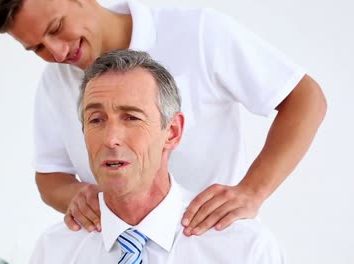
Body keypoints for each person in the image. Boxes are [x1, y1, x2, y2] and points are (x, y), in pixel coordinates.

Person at [0, 0, 327, 236]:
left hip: (208, 242)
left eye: (57, 28)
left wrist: (253, 190)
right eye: (38, 48)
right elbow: (50, 176)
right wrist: (75, 196)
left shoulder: (200, 33)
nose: (57, 52)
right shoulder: (55, 81)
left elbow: (305, 97)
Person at [30, 49, 285, 263]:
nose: (110, 139)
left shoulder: (244, 249)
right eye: (96, 120)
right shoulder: (54, 251)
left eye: (131, 118)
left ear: (172, 132)